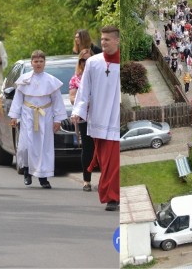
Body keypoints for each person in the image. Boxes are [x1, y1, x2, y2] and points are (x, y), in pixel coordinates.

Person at [72, 25, 120, 211]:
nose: (103, 42)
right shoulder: (93, 62)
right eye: (101, 39)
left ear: (116, 40)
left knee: (113, 162)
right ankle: (109, 191)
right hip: (99, 117)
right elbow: (84, 90)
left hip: (115, 118)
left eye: (107, 39)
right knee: (104, 159)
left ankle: (112, 197)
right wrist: (78, 111)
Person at [8, 50, 67, 189]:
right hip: (28, 115)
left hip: (45, 116)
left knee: (43, 147)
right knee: (25, 147)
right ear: (31, 63)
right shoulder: (24, 79)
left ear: (44, 63)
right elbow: (18, 99)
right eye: (36, 61)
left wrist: (58, 120)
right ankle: (27, 170)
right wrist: (14, 116)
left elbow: (57, 101)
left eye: (41, 61)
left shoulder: (51, 81)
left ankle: (43, 177)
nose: (38, 64)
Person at [69, 49, 94, 192]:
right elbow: (72, 98)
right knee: (87, 148)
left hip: (99, 116)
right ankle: (86, 180)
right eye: (83, 60)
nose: (85, 63)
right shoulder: (76, 78)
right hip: (85, 117)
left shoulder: (98, 77)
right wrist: (82, 103)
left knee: (102, 148)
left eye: (88, 60)